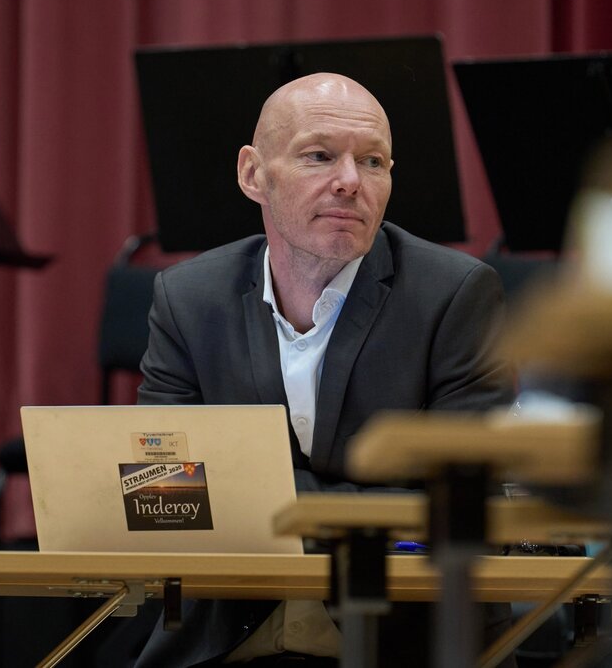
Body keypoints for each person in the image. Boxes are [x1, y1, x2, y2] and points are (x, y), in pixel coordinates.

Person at [133, 73, 515, 667]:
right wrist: (356, 503)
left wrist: (255, 497)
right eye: (319, 156)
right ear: (253, 174)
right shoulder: (188, 297)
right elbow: (162, 492)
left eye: (373, 162)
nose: (350, 181)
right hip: (226, 633)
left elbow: (464, 504)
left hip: (400, 638)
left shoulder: (455, 295)